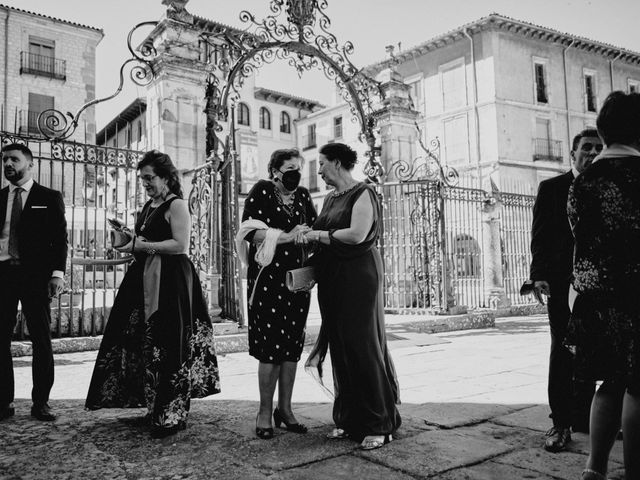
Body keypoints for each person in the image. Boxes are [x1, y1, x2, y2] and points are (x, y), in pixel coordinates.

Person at [85, 150, 220, 438]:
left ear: (166, 176)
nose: (145, 183)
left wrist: (142, 246)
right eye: (142, 179)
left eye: (149, 178)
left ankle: (172, 413)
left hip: (172, 282)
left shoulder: (178, 205)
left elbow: (180, 245)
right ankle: (155, 406)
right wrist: (128, 240)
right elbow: (145, 242)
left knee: (170, 344)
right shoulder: (148, 206)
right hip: (145, 279)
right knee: (147, 344)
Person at [304, 142, 401, 450]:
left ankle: (379, 423)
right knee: (342, 349)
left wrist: (318, 235)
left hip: (358, 276)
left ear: (338, 162)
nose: (318, 170)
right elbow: (325, 233)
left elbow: (357, 234)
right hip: (333, 278)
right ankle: (349, 419)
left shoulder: (364, 193)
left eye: (322, 163)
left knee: (362, 346)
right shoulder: (330, 198)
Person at [567, 91, 640, 480]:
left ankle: (594, 468)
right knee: (638, 388)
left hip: (595, 300)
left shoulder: (582, 182)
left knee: (609, 383)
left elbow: (583, 237)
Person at [525, 129, 600, 452]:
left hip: (600, 284)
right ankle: (560, 423)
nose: (593, 153)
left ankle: (585, 417)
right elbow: (539, 237)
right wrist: (539, 275)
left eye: (599, 148)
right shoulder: (552, 188)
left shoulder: (607, 188)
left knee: (594, 350)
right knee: (563, 350)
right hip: (562, 283)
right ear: (573, 154)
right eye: (586, 148)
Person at [237, 148, 316, 440]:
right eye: (290, 169)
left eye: (298, 168)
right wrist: (284, 235)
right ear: (275, 172)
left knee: (292, 347)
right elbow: (249, 231)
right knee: (269, 349)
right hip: (267, 280)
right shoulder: (261, 191)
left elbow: (313, 228)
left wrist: (308, 238)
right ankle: (264, 412)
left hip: (296, 281)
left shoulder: (305, 196)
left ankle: (285, 409)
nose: (295, 173)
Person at [0, 143, 67, 422]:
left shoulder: (48, 197)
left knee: (41, 339)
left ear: (30, 163)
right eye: (4, 160)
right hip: (3, 275)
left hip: (35, 277)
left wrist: (56, 274)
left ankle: (41, 402)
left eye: (14, 159)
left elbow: (59, 239)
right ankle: (3, 402)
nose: (7, 164)